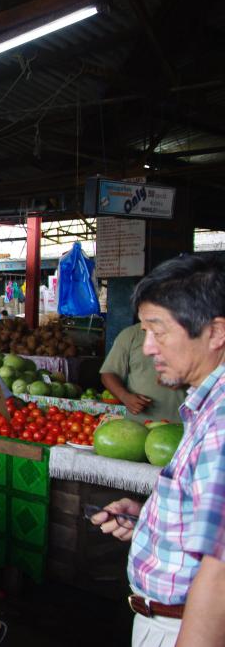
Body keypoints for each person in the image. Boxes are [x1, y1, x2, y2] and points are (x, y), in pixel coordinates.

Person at [91, 253, 225, 647]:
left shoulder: (220, 424)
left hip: (184, 628)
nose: (148, 348)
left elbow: (220, 574)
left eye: (159, 331)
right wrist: (153, 519)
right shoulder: (205, 408)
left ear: (216, 332)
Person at [100, 322, 189, 420]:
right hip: (139, 425)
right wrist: (124, 396)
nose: (148, 349)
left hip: (182, 423)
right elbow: (108, 373)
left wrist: (186, 378)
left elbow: (206, 373)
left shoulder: (190, 333)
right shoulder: (131, 335)